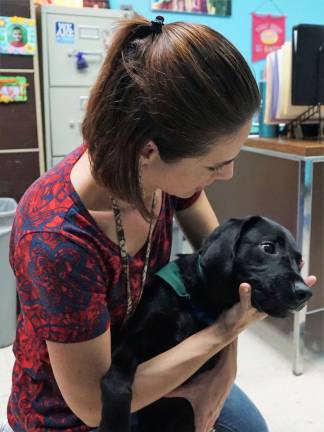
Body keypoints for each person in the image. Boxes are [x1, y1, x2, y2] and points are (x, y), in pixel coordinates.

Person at [4, 15, 315, 432]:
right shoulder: (56, 238)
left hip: (157, 350)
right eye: (215, 164)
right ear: (148, 150)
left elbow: (224, 270)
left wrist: (222, 371)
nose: (228, 175)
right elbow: (94, 404)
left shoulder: (157, 175)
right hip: (74, 410)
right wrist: (222, 333)